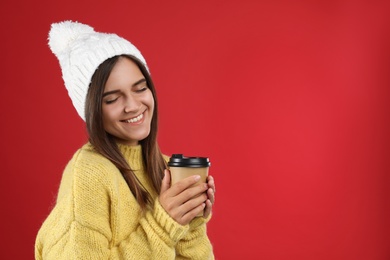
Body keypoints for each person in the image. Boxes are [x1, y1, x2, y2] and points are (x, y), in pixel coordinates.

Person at [35, 20, 216, 259]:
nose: (133, 106)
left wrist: (191, 222)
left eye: (140, 89)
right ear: (91, 110)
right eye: (112, 99)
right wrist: (163, 225)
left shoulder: (165, 168)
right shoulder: (89, 173)